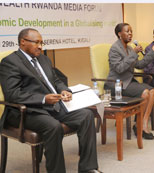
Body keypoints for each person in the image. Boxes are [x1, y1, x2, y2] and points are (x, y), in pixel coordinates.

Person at [0, 28, 102, 173]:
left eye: (42, 42)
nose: (41, 46)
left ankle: (88, 168)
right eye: (37, 42)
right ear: (23, 42)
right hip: (26, 111)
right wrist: (43, 99)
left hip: (52, 105)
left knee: (86, 115)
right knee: (53, 126)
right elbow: (12, 94)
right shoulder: (10, 62)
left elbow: (56, 80)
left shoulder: (44, 59)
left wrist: (64, 90)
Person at [104, 23, 154, 140]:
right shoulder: (115, 49)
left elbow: (140, 65)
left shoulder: (130, 48)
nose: (130, 33)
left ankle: (142, 124)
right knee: (145, 92)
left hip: (128, 82)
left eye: (131, 31)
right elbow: (119, 68)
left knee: (151, 91)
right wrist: (133, 54)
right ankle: (140, 125)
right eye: (127, 31)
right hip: (116, 84)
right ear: (119, 34)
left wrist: (153, 51)